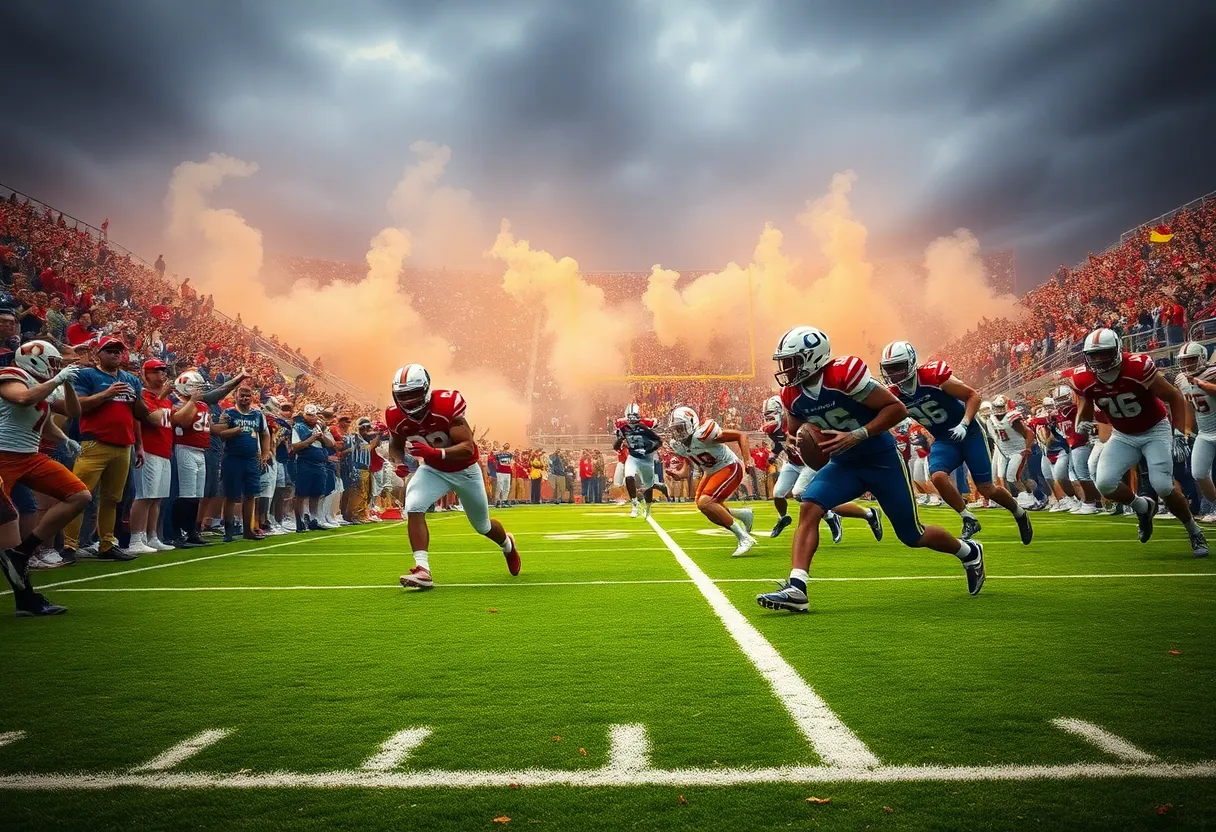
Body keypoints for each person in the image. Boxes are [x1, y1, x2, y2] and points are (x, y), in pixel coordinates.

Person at [757, 326, 985, 614]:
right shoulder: (791, 393)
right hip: (845, 463)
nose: (786, 369)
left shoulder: (843, 374)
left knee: (912, 535)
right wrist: (796, 441)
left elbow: (897, 408)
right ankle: (797, 588)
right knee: (809, 506)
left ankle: (969, 552)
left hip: (881, 460)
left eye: (792, 361)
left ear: (812, 358)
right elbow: (795, 428)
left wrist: (858, 434)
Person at [880, 340, 1032, 544]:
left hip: (968, 433)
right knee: (938, 476)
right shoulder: (893, 394)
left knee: (987, 488)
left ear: (911, 362)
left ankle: (1019, 512)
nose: (894, 373)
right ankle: (968, 518)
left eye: (898, 367)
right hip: (944, 439)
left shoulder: (932, 376)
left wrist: (965, 423)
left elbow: (973, 396)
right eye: (890, 369)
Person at [1072, 328, 1207, 556]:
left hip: (1154, 429)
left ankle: (1194, 531)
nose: (1098, 360)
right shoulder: (1083, 377)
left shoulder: (1137, 366)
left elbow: (1173, 396)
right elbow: (1084, 409)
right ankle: (1143, 507)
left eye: (1104, 354)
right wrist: (1080, 424)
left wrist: (1177, 434)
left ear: (1117, 350)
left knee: (1163, 486)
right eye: (1093, 355)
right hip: (1123, 434)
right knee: (1104, 483)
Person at [387, 364, 519, 589]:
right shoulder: (395, 415)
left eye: (413, 394)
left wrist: (434, 452)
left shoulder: (446, 405)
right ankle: (422, 569)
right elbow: (396, 446)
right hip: (433, 470)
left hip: (465, 470)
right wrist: (399, 463)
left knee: (482, 526)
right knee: (414, 505)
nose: (408, 401)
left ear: (426, 390)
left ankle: (507, 545)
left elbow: (468, 448)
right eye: (403, 395)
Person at [0, 341, 90, 605]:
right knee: (8, 522)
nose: (56, 369)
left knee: (79, 495)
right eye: (54, 363)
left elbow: (70, 413)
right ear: (34, 359)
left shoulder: (46, 384)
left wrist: (64, 439)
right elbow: (23, 398)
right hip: (2, 455)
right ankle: (25, 598)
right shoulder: (12, 375)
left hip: (29, 456)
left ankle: (23, 552)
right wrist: (58, 379)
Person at [62, 336, 162, 562]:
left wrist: (138, 445)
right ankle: (69, 546)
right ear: (98, 352)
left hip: (123, 445)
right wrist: (106, 394)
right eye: (110, 350)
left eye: (119, 351)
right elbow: (77, 405)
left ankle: (106, 543)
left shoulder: (130, 379)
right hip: (94, 442)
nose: (116, 354)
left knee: (112, 499)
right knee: (80, 495)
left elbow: (139, 413)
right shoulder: (88, 375)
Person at [760, 395, 882, 543]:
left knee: (801, 494)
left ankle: (848, 515)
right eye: (766, 416)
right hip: (792, 463)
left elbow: (816, 436)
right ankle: (783, 518)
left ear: (780, 411)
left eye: (770, 414)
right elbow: (780, 443)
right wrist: (774, 454)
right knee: (778, 493)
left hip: (808, 464)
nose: (768, 419)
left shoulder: (797, 420)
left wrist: (801, 444)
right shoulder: (774, 430)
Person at [167, 368, 247, 547]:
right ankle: (177, 533)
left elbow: (210, 429)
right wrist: (193, 402)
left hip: (201, 451)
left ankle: (191, 531)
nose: (200, 390)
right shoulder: (178, 405)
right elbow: (184, 422)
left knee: (196, 495)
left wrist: (231, 426)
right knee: (186, 494)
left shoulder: (202, 405)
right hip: (185, 448)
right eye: (196, 386)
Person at [665, 405, 757, 557]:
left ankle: (744, 538)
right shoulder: (680, 445)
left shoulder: (703, 434)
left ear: (691, 423)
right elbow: (687, 468)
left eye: (681, 428)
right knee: (703, 505)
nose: (678, 432)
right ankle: (743, 515)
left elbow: (741, 435)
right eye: (675, 429)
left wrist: (748, 460)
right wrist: (679, 474)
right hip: (711, 471)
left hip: (729, 466)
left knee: (706, 502)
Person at [127, 359, 197, 553]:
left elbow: (180, 421)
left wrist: (192, 401)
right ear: (146, 374)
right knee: (144, 496)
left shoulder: (166, 399)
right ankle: (135, 538)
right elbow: (154, 419)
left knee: (157, 498)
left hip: (164, 450)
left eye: (163, 371)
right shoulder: (144, 395)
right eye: (157, 371)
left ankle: (152, 536)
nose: (162, 374)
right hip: (148, 449)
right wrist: (162, 397)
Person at [212, 385, 271, 542]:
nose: (245, 398)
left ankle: (248, 530)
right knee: (231, 495)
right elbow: (221, 433)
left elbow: (265, 434)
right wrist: (234, 431)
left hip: (252, 459)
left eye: (248, 395)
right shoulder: (228, 413)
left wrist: (265, 453)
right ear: (235, 397)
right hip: (232, 458)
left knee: (250, 495)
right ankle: (228, 531)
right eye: (242, 395)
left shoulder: (258, 415)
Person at [1174, 342, 1216, 522]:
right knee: (1198, 473)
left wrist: (1206, 386)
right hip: (1205, 433)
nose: (1187, 365)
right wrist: (1186, 430)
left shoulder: (1212, 372)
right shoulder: (1181, 379)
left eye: (1191, 360)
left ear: (1202, 358)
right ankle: (1214, 506)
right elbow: (1188, 405)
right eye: (1184, 361)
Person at [613, 403, 665, 518]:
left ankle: (648, 509)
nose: (632, 420)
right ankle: (634, 504)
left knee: (648, 485)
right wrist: (621, 439)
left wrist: (648, 450)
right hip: (633, 457)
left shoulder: (644, 427)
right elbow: (616, 447)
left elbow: (659, 441)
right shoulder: (623, 429)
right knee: (629, 476)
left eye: (634, 416)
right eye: (630, 417)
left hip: (647, 458)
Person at [291, 403, 335, 531]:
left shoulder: (321, 426)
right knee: (301, 493)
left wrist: (321, 437)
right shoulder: (298, 427)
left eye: (313, 415)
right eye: (308, 415)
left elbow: (331, 443)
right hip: (305, 463)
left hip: (320, 464)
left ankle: (315, 520)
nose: (311, 418)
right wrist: (312, 438)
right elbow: (295, 447)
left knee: (316, 493)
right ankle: (299, 523)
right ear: (304, 415)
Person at [493, 443, 513, 508]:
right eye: (506, 444)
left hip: (508, 472)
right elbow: (494, 461)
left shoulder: (510, 454)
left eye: (508, 445)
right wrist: (496, 468)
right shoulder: (498, 454)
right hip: (500, 472)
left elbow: (511, 463)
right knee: (499, 486)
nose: (507, 445)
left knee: (507, 487)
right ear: (503, 446)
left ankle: (504, 500)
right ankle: (497, 501)